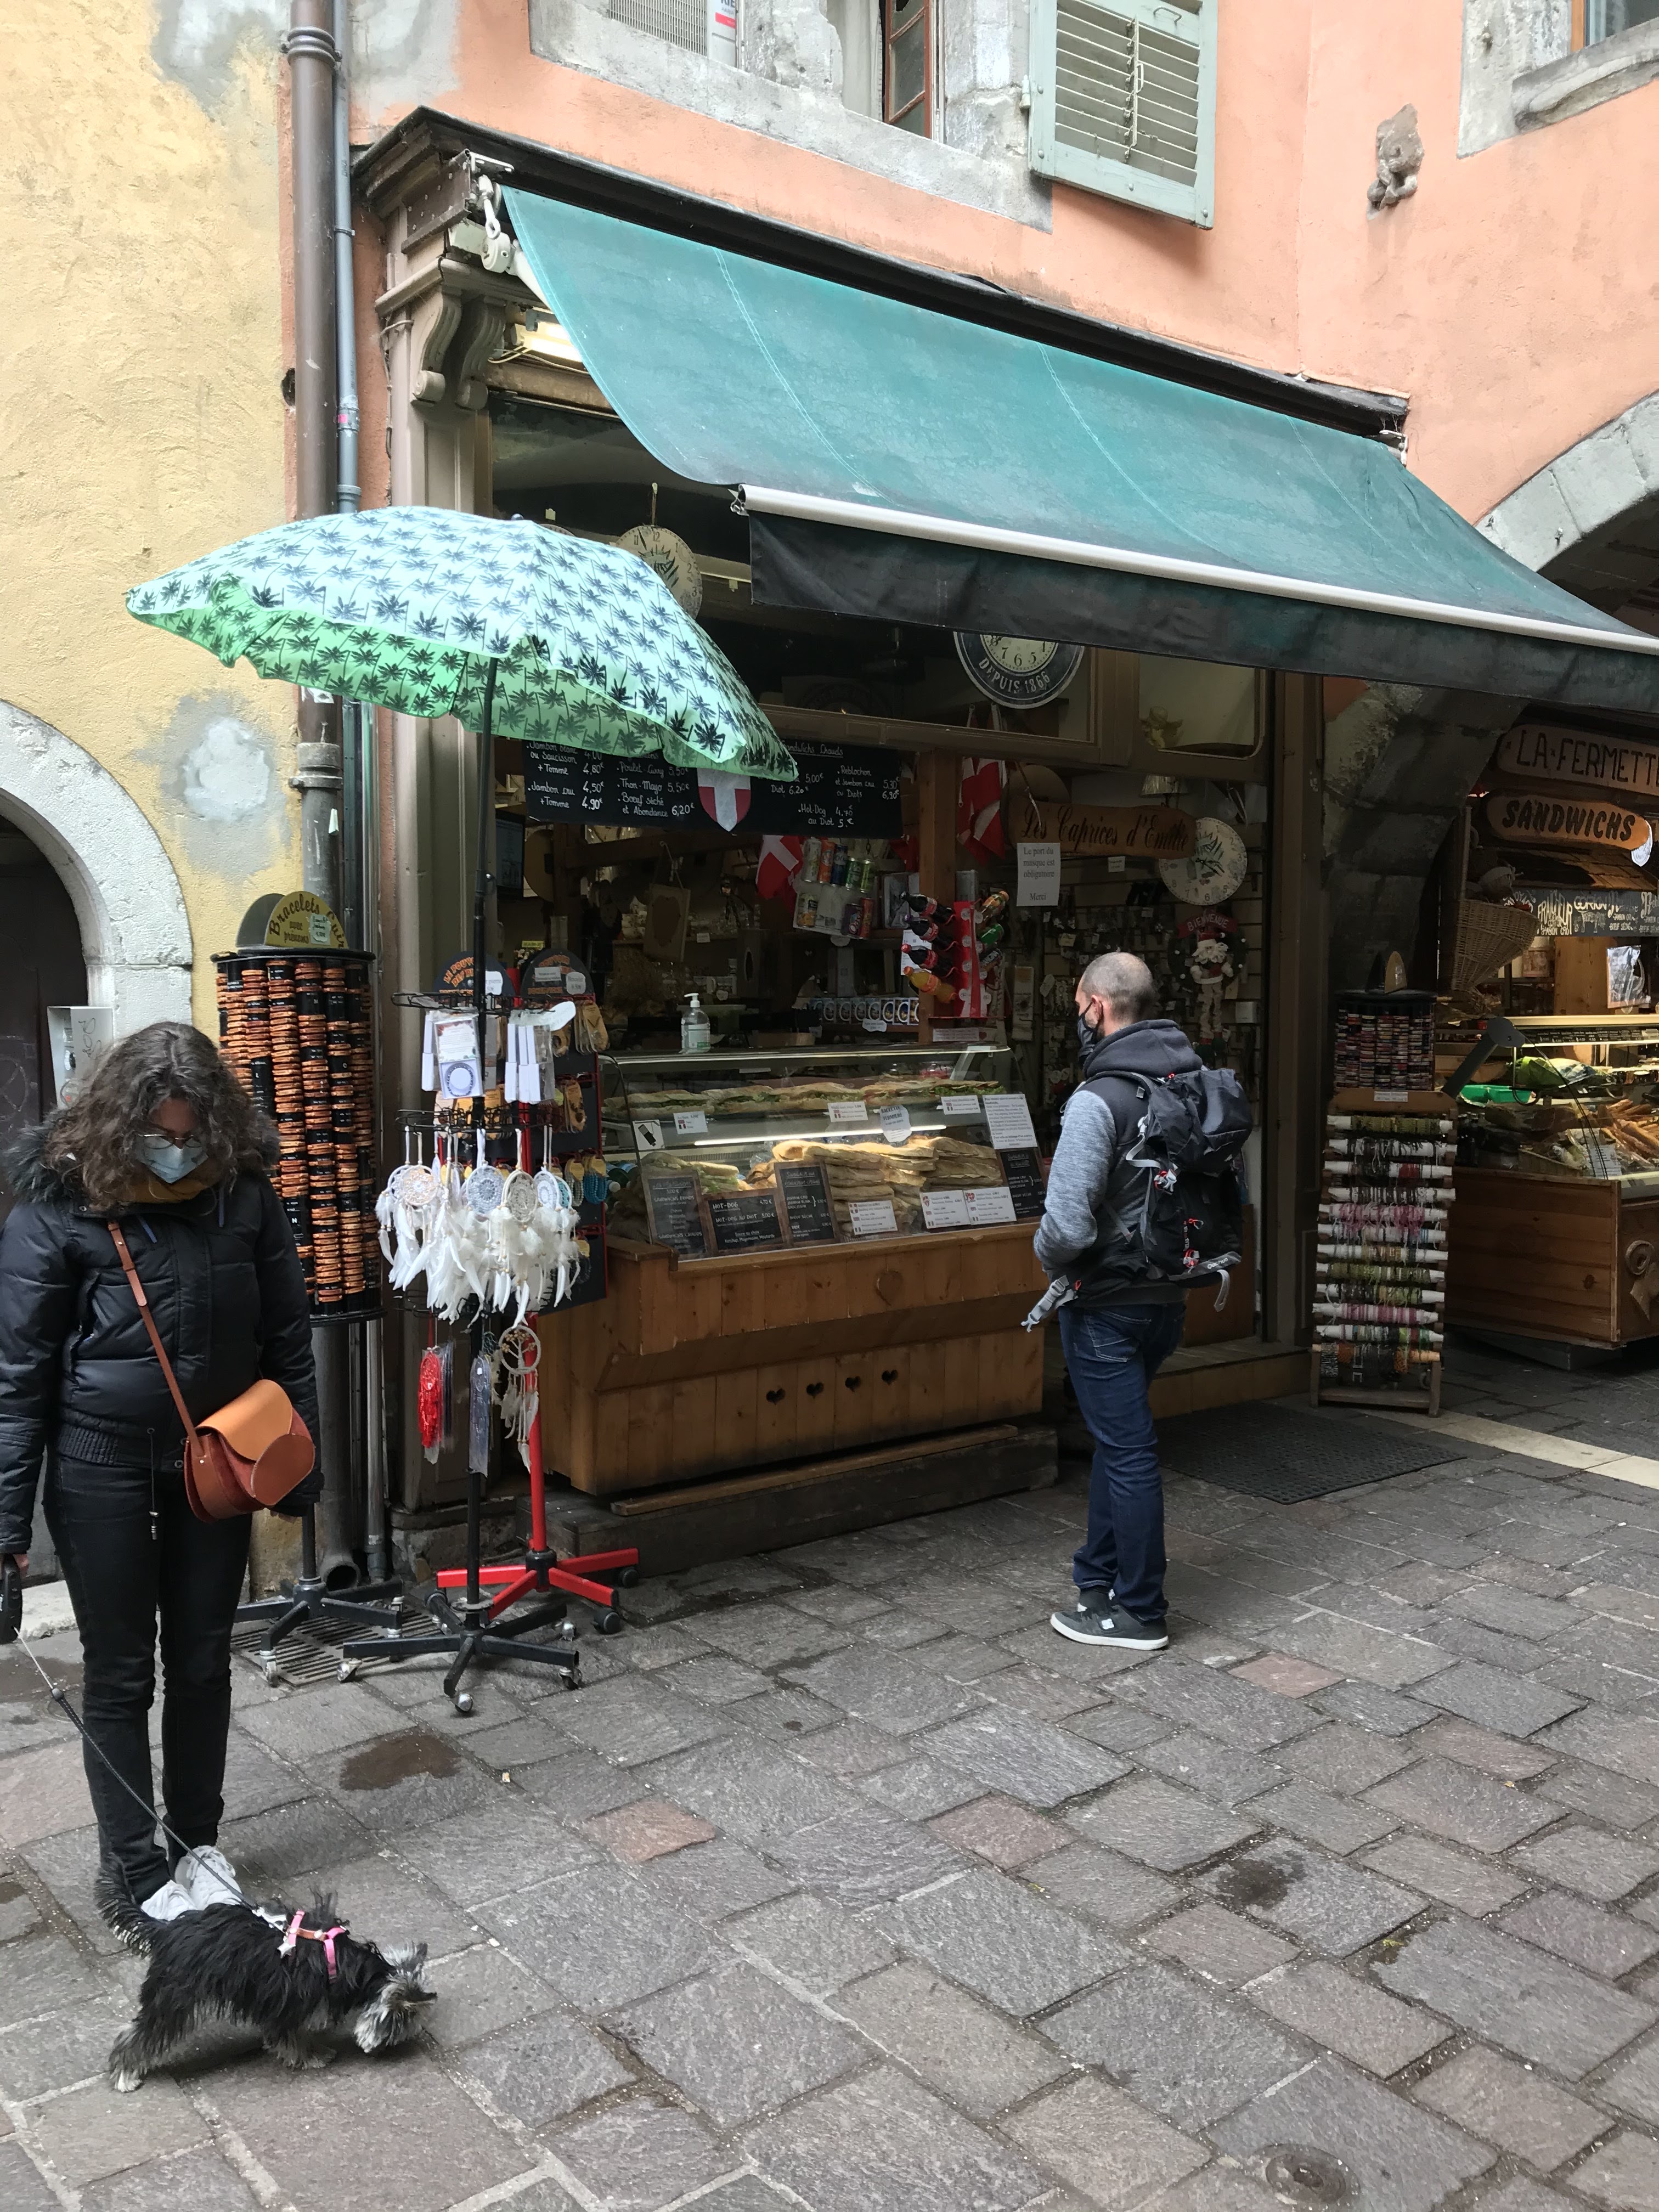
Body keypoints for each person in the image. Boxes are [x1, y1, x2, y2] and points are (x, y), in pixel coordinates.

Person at [0, 1022, 320, 1921]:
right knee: (120, 1673)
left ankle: (197, 1842)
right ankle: (136, 1875)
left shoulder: (243, 1195)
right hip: (98, 1467)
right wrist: (8, 1529)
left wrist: (299, 1462)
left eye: (190, 1134)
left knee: (204, 1660)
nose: (176, 1151)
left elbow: (287, 1338)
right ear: (118, 1119)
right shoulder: (58, 1206)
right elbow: (17, 1380)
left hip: (214, 1466)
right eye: (158, 1133)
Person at [1035, 951, 1206, 1653]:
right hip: (1168, 1295)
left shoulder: (1097, 1099)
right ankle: (1097, 1578)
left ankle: (1139, 1611)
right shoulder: (1190, 1083)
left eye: (1079, 1005)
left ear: (1096, 1007)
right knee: (1118, 1441)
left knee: (1130, 1452)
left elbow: (1069, 1227)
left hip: (1105, 1300)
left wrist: (1047, 1259)